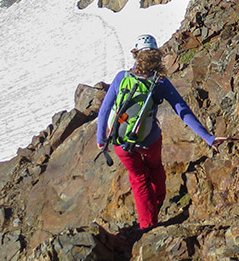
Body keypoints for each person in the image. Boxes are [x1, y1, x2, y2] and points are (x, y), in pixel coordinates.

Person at [96, 34, 228, 231]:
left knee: (138, 178)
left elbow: (104, 110)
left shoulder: (121, 77)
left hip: (120, 140)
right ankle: (157, 202)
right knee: (155, 167)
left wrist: (101, 139)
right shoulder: (160, 82)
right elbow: (183, 111)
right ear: (157, 56)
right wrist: (208, 138)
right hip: (149, 139)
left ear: (136, 55)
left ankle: (147, 224)